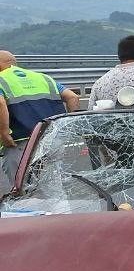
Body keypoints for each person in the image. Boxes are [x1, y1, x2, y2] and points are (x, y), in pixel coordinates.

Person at [0, 50, 79, 189]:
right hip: (52, 139)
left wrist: (4, 132)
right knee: (53, 187)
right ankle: (58, 210)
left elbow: (0, 103)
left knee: (22, 190)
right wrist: (69, 128)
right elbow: (72, 97)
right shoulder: (43, 78)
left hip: (21, 143)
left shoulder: (1, 79)